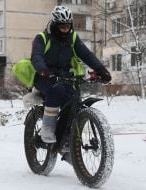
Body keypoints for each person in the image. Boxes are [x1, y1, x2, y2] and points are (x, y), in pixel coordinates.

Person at [31, 5, 111, 144]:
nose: (65, 29)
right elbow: (36, 56)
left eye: (68, 26)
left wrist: (101, 70)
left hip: (65, 76)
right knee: (57, 90)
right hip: (44, 76)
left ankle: (68, 139)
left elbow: (87, 55)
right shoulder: (42, 37)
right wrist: (45, 71)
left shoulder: (72, 38)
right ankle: (48, 129)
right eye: (62, 27)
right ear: (55, 25)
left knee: (73, 98)